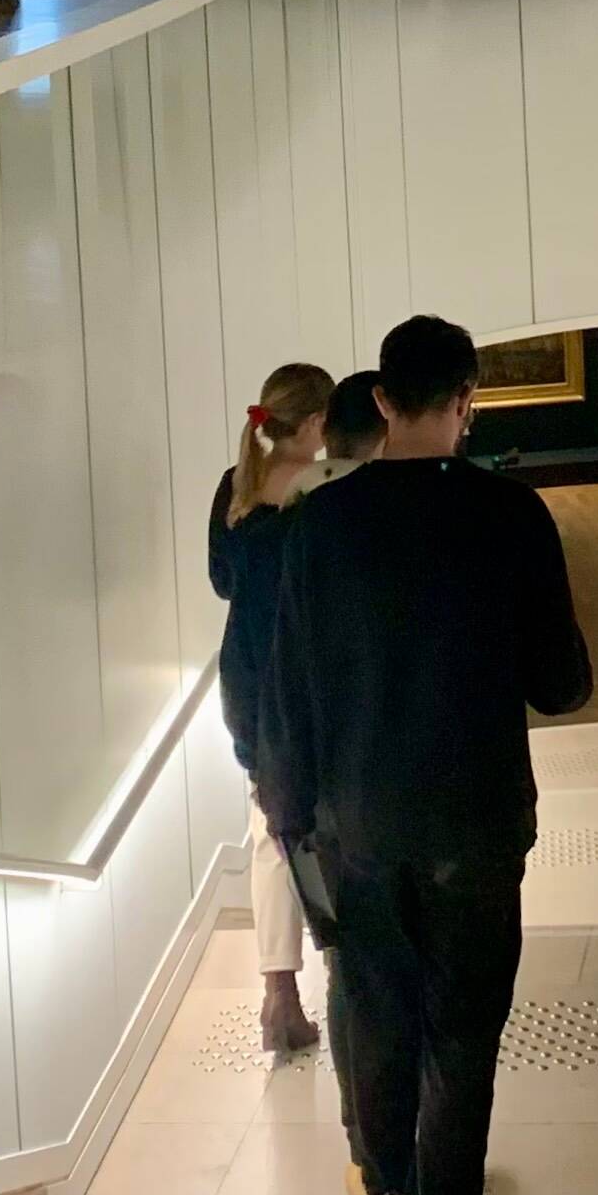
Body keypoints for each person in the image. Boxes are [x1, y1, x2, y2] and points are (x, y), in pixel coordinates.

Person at [259, 315, 589, 1195]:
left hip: (356, 821)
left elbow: (288, 693)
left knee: (377, 1006)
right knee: (462, 1025)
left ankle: (389, 1188)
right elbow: (562, 685)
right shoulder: (511, 514)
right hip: (475, 822)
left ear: (382, 400)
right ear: (466, 402)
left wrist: (292, 817)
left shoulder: (320, 524)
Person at [206, 360, 337, 1060]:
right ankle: (343, 965)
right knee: (330, 826)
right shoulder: (324, 490)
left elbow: (223, 582)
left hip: (248, 676)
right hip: (308, 676)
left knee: (269, 830)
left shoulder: (236, 485)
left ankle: (279, 991)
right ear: (315, 422)